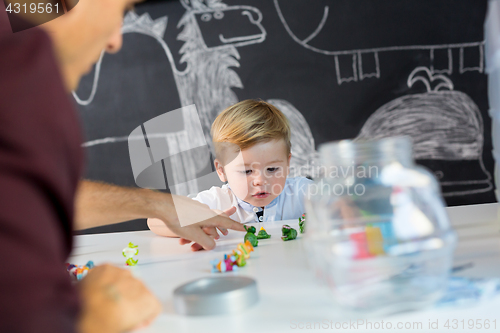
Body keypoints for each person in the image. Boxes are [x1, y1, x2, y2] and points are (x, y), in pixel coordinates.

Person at [0, 0, 245, 332]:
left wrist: (159, 205)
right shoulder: (22, 85)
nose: (115, 40)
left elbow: (24, 202)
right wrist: (94, 321)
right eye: (119, 11)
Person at [148, 100, 313, 238]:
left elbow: (337, 203)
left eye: (272, 169)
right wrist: (197, 220)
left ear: (287, 163)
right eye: (247, 171)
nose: (261, 181)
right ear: (222, 171)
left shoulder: (302, 193)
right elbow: (155, 219)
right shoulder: (217, 202)